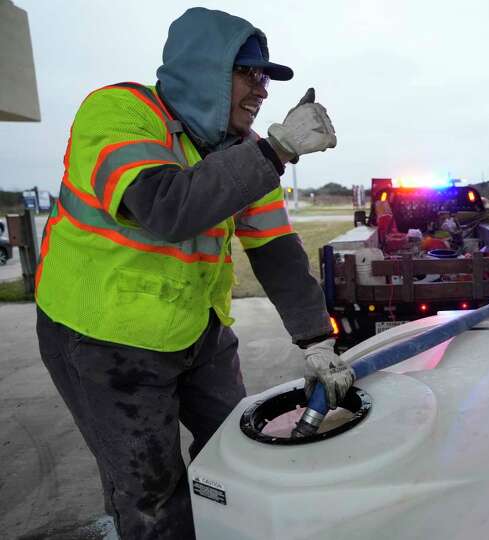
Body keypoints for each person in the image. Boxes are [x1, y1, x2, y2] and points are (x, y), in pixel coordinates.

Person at [34, 8, 355, 539]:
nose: (262, 91)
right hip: (102, 338)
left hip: (197, 333)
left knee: (239, 456)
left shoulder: (243, 152)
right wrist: (275, 150)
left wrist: (319, 341)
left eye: (265, 79)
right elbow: (164, 207)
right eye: (249, 73)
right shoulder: (119, 111)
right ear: (207, 71)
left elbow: (276, 249)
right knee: (151, 497)